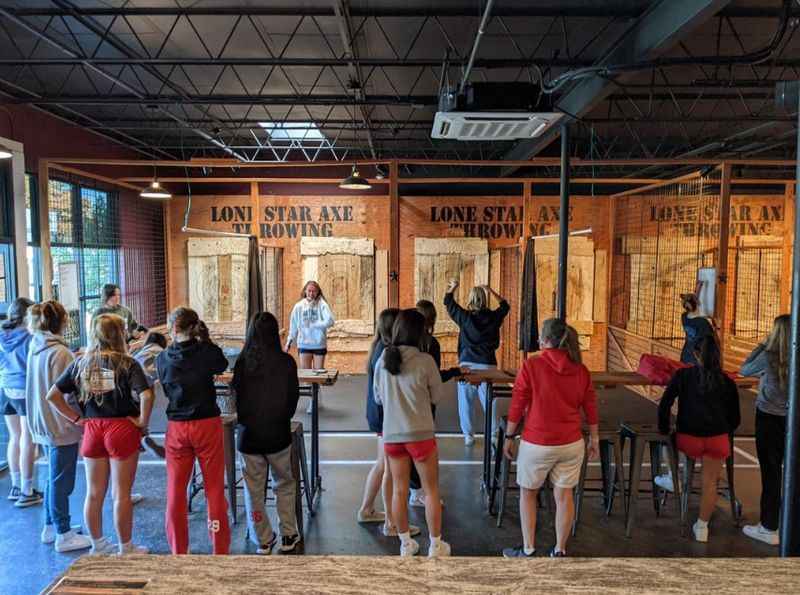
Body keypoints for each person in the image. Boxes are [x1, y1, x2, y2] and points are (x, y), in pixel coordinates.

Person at [46, 314, 154, 555]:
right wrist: (142, 422)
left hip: (93, 429)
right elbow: (146, 394)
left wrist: (76, 419)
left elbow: (52, 395)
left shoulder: (80, 363)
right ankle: (126, 547)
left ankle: (98, 545)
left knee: (94, 493)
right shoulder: (128, 363)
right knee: (121, 493)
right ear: (119, 334)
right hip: (121, 428)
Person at [502, 318, 599, 558]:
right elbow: (591, 406)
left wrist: (509, 436)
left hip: (537, 443)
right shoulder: (581, 369)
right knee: (564, 495)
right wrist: (594, 438)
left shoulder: (531, 365)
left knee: (528, 493)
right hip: (571, 444)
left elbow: (517, 404)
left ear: (545, 341)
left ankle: (528, 548)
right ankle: (560, 550)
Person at [374, 309, 450, 558]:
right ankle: (436, 545)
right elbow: (437, 396)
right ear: (421, 334)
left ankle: (406, 544)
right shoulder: (425, 361)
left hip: (392, 436)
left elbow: (378, 397)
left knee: (399, 490)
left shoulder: (384, 359)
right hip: (421, 435)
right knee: (431, 491)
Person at [157, 306, 231, 555]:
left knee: (176, 493)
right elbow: (221, 364)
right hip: (206, 424)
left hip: (177, 427)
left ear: (173, 329)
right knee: (214, 490)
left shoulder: (163, 358)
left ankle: (179, 550)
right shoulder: (206, 352)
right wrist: (205, 341)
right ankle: (219, 549)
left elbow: (167, 390)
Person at [658, 334, 741, 543]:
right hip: (717, 439)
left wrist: (664, 428)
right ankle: (702, 527)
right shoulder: (727, 382)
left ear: (695, 354)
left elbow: (665, 403)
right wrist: (723, 430)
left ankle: (672, 476)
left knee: (664, 445)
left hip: (689, 438)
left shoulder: (683, 376)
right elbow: (735, 419)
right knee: (710, 483)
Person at [232, 312, 302, 555]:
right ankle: (288, 533)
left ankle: (262, 538)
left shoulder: (242, 362)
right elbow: (292, 401)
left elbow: (236, 400)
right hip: (278, 435)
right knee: (284, 483)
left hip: (248, 437)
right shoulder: (286, 362)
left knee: (253, 490)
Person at [25, 301, 92, 552]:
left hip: (41, 421)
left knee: (52, 477)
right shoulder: (61, 353)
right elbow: (66, 394)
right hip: (60, 424)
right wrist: (77, 418)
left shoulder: (36, 345)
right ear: (62, 322)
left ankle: (51, 525)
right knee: (63, 480)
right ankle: (64, 533)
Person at [358, 307, 424, 538]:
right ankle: (391, 523)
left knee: (381, 464)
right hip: (383, 415)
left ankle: (367, 509)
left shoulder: (379, 348)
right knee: (387, 469)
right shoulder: (387, 353)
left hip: (377, 413)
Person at [655, 287, 717, 493]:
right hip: (699, 364)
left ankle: (675, 476)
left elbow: (664, 405)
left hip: (686, 360)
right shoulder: (703, 324)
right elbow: (710, 341)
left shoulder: (685, 318)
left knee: (684, 404)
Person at [740, 314, 790, 546]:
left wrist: (761, 344)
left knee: (771, 474)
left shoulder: (769, 355)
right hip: (792, 419)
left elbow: (745, 369)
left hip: (769, 418)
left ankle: (769, 526)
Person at [408, 299, 463, 507]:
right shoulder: (431, 344)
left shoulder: (404, 345)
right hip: (424, 401)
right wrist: (454, 372)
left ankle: (412, 488)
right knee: (423, 449)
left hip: (407, 401)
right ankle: (418, 492)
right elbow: (434, 377)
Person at [444, 281, 509, 445]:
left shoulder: (465, 318)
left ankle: (469, 436)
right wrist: (491, 290)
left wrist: (454, 287)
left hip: (468, 365)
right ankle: (494, 434)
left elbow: (448, 302)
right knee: (490, 401)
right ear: (484, 299)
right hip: (488, 364)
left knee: (465, 402)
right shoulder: (494, 317)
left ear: (471, 299)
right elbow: (505, 306)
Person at [1, 297, 39, 507]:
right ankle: (27, 489)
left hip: (5, 389)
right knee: (27, 438)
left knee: (15, 437)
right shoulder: (30, 337)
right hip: (24, 390)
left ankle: (16, 486)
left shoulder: (1, 335)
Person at [285, 281, 335, 414]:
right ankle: (312, 400)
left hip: (318, 343)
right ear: (305, 291)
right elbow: (293, 325)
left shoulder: (322, 304)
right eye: (309, 291)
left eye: (314, 291)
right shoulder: (299, 306)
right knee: (307, 376)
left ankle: (315, 400)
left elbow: (330, 321)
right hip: (304, 343)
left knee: (317, 374)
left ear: (318, 292)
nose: (311, 293)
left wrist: (316, 324)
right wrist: (289, 341)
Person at [132, 331, 168, 457]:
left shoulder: (138, 354)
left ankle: (140, 435)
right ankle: (143, 433)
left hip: (134, 391)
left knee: (139, 412)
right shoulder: (163, 353)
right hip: (150, 390)